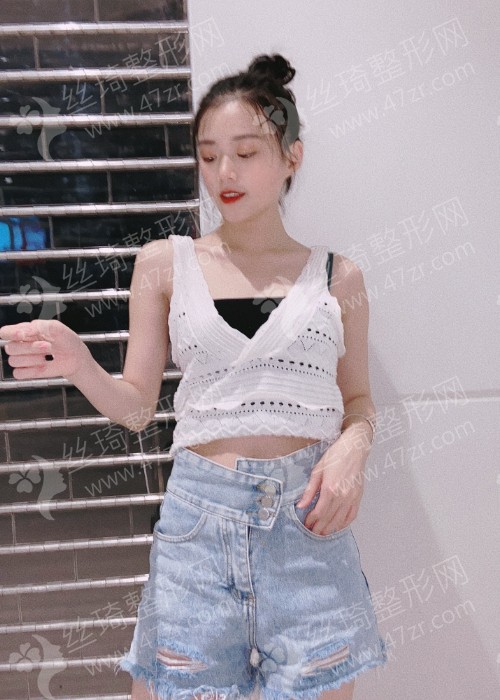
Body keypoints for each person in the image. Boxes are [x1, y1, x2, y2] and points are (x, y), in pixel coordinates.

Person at [0, 54, 387, 700]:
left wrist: (354, 447)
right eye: (209, 156)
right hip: (197, 529)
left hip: (309, 529)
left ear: (291, 157)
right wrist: (78, 361)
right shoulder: (164, 264)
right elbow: (135, 408)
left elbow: (359, 400)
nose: (224, 173)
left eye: (246, 152)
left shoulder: (337, 277)